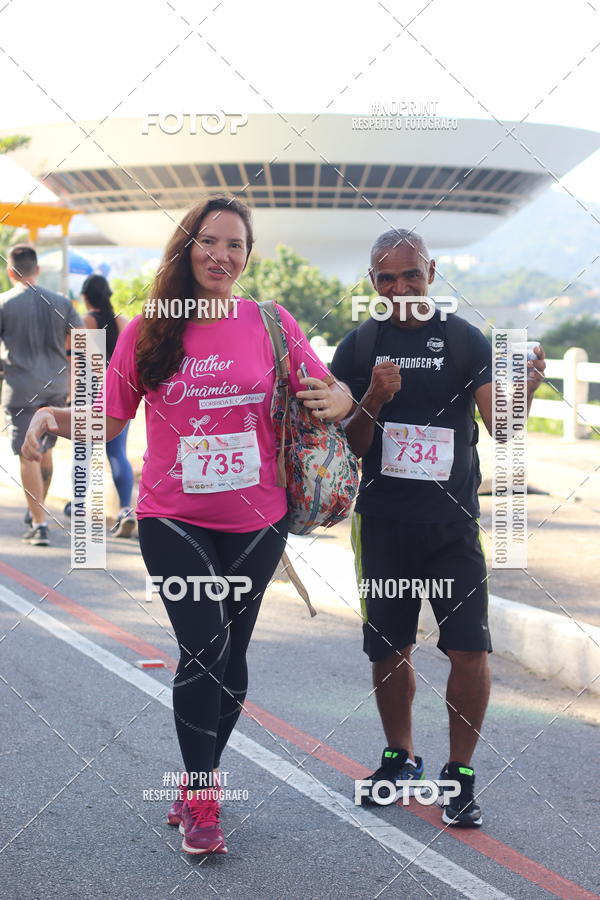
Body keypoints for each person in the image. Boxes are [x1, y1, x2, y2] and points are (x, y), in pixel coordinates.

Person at [22, 196, 353, 855]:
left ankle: (199, 776)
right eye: (210, 242)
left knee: (231, 664)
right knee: (203, 649)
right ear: (186, 248)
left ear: (247, 256)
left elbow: (330, 395)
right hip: (174, 519)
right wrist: (53, 419)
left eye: (236, 245)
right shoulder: (147, 328)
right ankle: (203, 794)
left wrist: (342, 395)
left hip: (260, 520)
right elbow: (112, 421)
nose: (222, 255)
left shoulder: (271, 322)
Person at [330, 229, 545, 827]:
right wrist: (372, 395)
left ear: (432, 272)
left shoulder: (463, 339)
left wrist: (522, 391)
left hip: (452, 525)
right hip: (383, 525)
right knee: (389, 649)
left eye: (411, 276)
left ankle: (460, 774)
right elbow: (348, 441)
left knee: (470, 650)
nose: (400, 288)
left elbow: (499, 424)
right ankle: (400, 759)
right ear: (373, 283)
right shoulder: (360, 344)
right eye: (386, 279)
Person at [0, 244, 82, 547]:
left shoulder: (4, 303)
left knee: (28, 452)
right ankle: (38, 509)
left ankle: (38, 522)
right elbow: (83, 340)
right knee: (44, 450)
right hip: (56, 388)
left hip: (21, 388)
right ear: (37, 270)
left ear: (11, 271)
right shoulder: (62, 302)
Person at [81, 273, 135, 537]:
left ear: (85, 297)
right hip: (119, 393)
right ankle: (126, 508)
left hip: (92, 394)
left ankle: (80, 507)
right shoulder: (122, 321)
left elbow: (84, 363)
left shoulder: (87, 322)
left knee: (85, 452)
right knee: (117, 453)